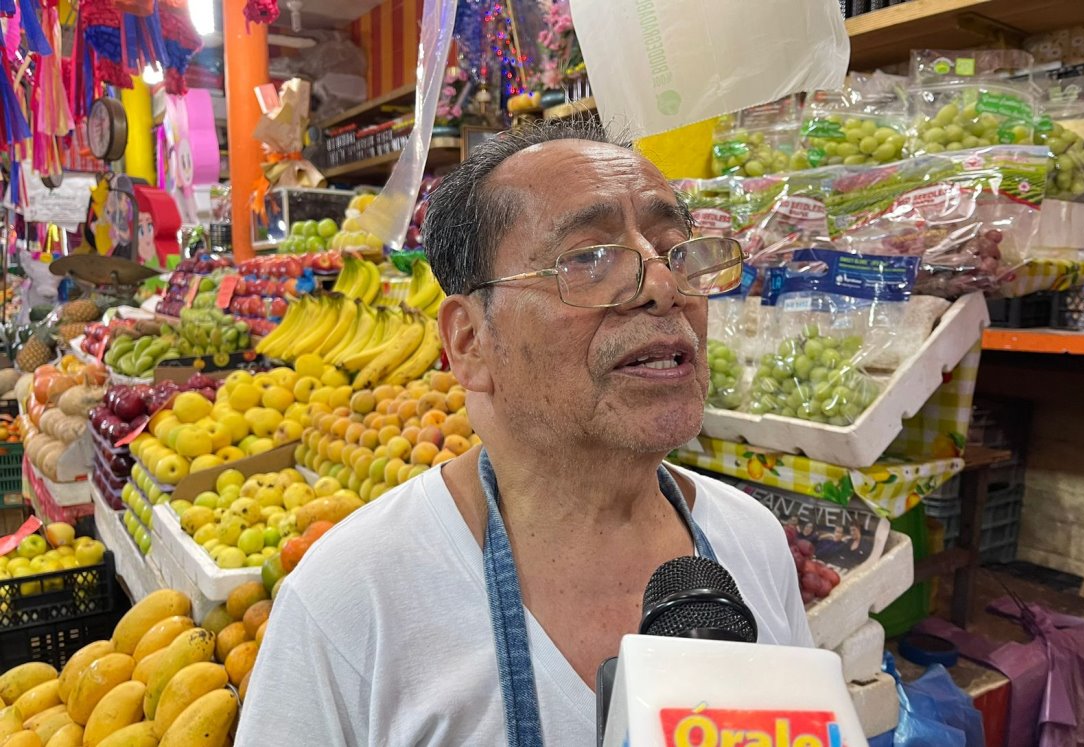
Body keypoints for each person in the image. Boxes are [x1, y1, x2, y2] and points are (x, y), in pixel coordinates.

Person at [236, 119, 813, 746]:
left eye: (676, 250)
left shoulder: (753, 542)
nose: (666, 289)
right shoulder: (349, 600)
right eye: (590, 259)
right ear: (470, 342)